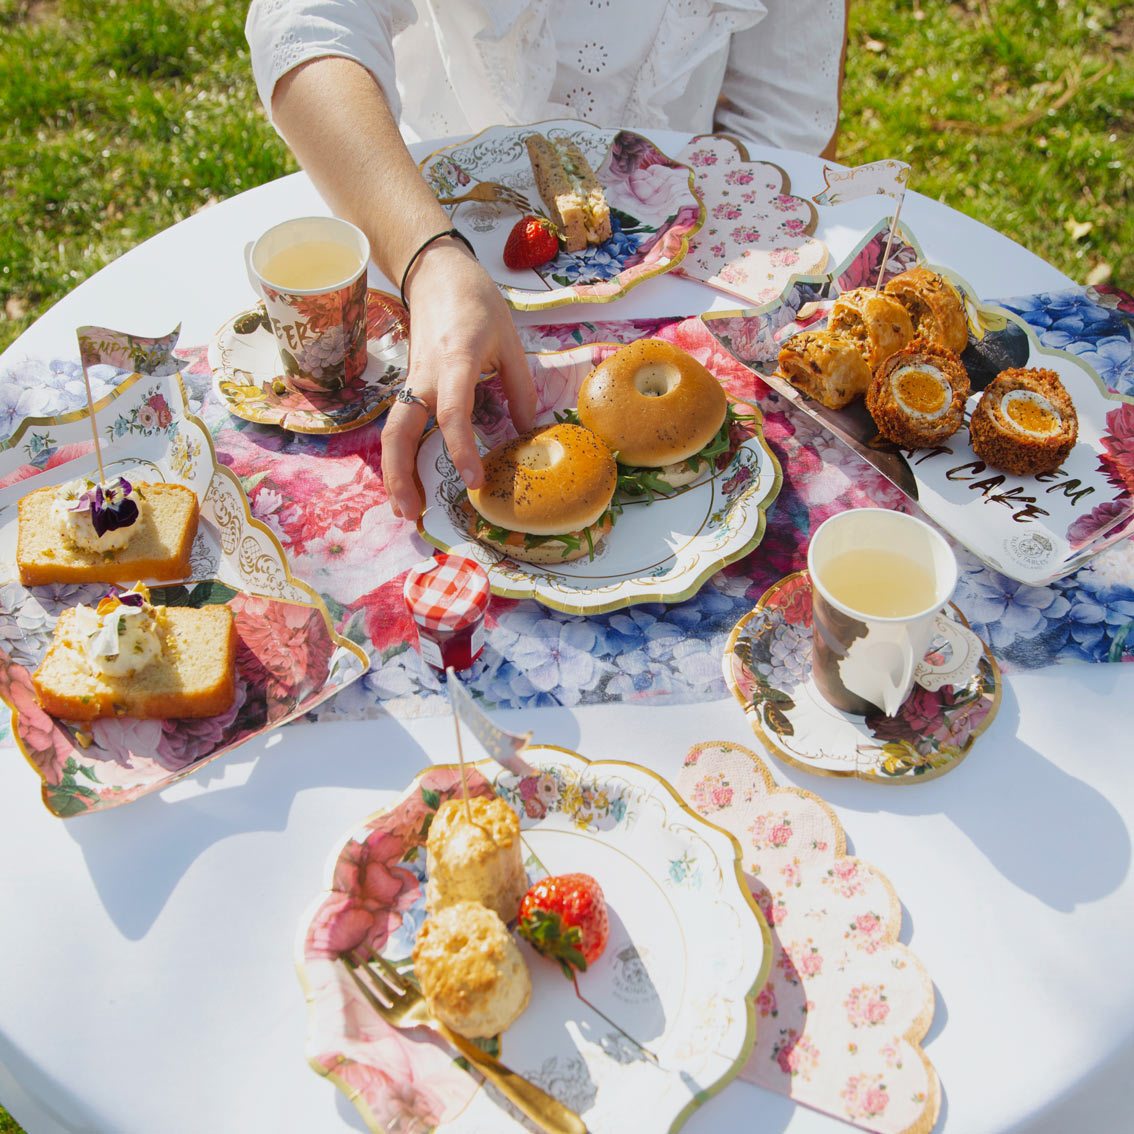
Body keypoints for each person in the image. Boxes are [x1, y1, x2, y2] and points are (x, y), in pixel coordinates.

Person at [246, 1, 847, 520]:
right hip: (410, 229)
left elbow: (786, 117)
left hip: (688, 267)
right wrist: (429, 262)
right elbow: (305, 26)